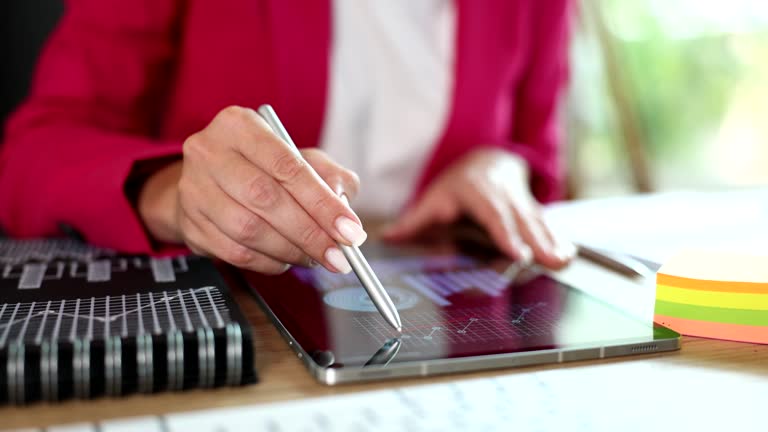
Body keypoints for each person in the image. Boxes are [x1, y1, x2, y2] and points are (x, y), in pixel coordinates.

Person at [0, 0, 575, 276]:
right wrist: (172, 192)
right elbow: (32, 153)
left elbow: (539, 157)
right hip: (229, 314)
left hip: (448, 329)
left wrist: (498, 166)